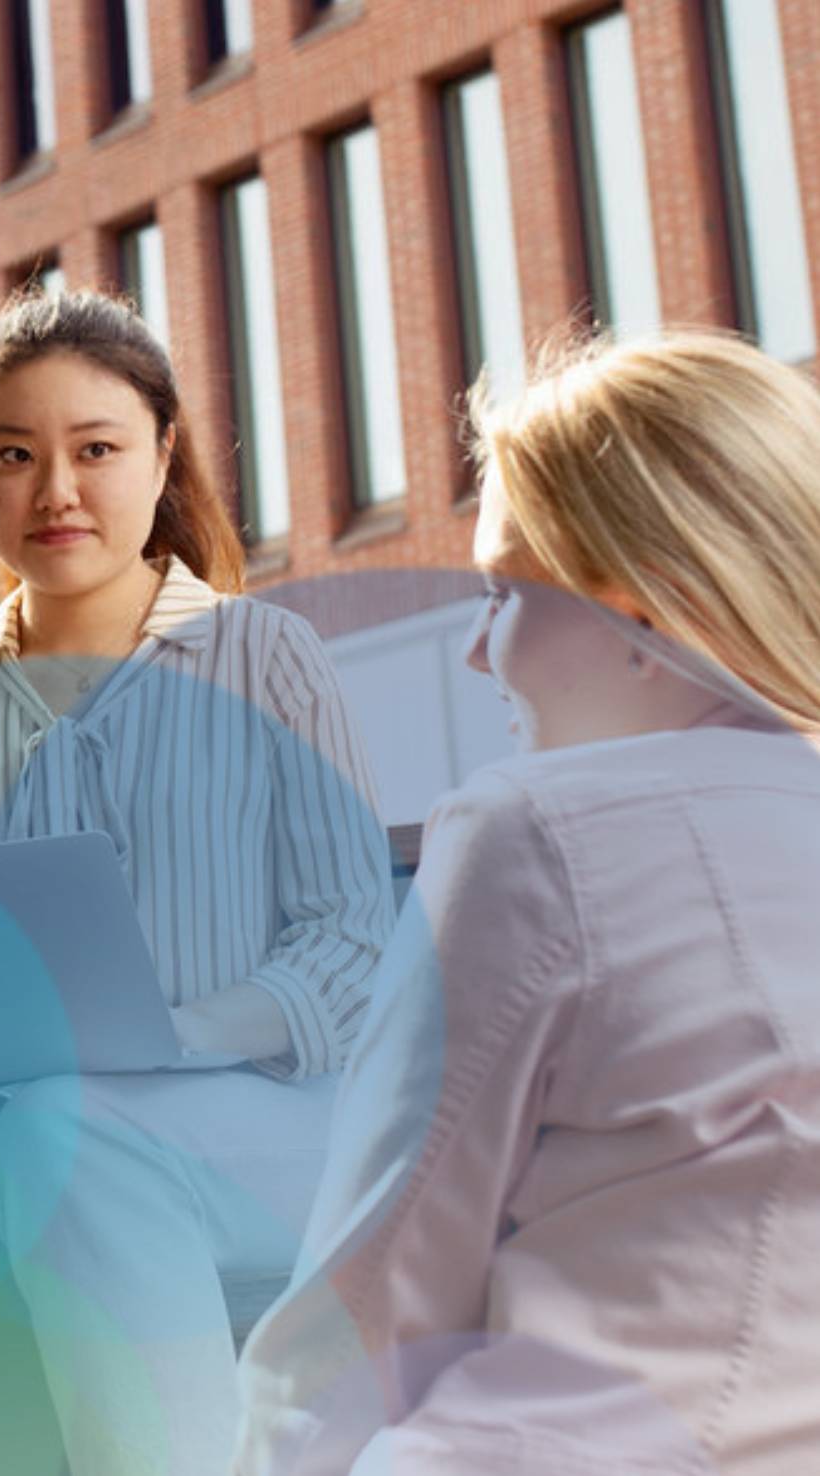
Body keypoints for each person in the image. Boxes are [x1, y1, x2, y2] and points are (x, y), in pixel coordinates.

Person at [0, 290, 394, 1475]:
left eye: (95, 449)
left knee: (70, 1119)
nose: (55, 490)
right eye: (14, 456)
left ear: (161, 458)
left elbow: (351, 949)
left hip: (253, 1127)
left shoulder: (263, 658)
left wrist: (167, 1033)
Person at [233, 330, 820, 1474]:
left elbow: (363, 1311)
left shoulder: (536, 831)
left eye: (501, 591)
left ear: (645, 614)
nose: (474, 651)